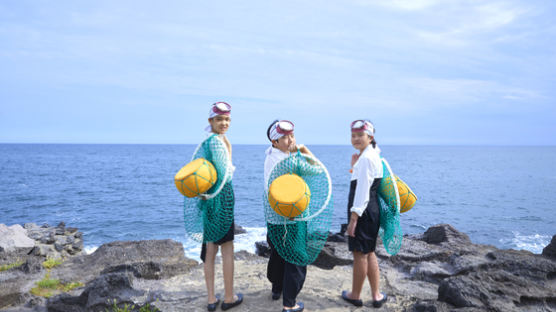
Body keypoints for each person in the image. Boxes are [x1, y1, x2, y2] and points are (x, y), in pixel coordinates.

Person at [264, 120, 313, 312]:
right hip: (292, 216)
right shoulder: (289, 159)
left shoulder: (270, 156)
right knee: (296, 256)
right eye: (284, 137)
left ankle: (277, 289)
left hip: (275, 217)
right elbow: (316, 169)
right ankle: (289, 304)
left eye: (291, 135)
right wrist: (303, 149)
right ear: (274, 142)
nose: (290, 139)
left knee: (278, 253)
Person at [201, 102, 243, 311]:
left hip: (209, 199)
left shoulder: (208, 141)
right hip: (222, 197)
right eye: (219, 119)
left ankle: (210, 299)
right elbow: (225, 173)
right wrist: (229, 150)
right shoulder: (218, 143)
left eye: (227, 119)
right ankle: (228, 297)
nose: (224, 123)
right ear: (211, 121)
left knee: (210, 248)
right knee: (227, 249)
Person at [341, 119, 388, 308]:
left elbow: (362, 192)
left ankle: (355, 295)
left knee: (359, 253)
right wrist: (354, 166)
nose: (356, 138)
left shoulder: (367, 158)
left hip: (364, 212)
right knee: (369, 252)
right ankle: (376, 295)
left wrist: (354, 218)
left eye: (361, 135)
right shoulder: (371, 154)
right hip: (372, 210)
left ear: (370, 137)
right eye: (353, 135)